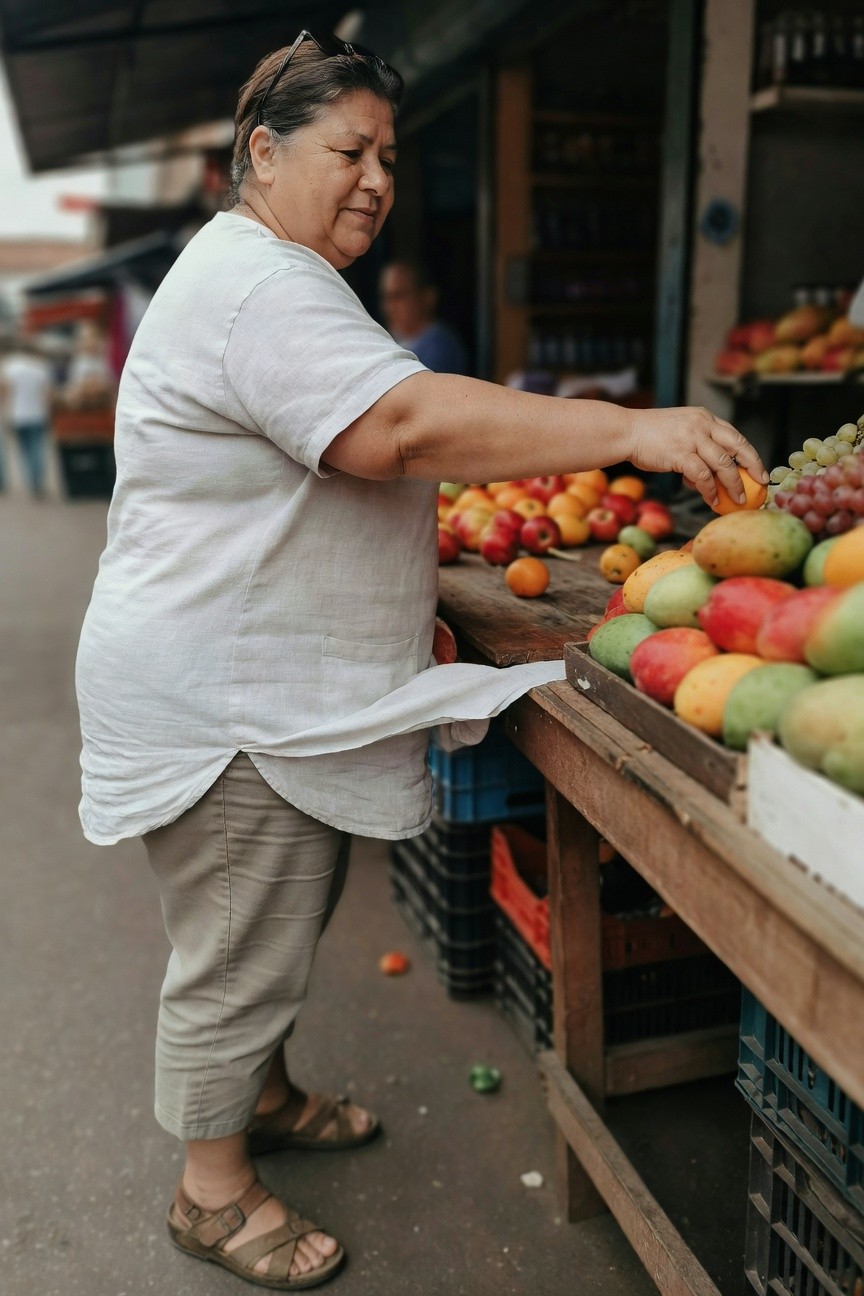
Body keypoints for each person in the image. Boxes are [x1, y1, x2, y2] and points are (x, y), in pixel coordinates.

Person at [75, 29, 766, 1292]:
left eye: (389, 155)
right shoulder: (256, 284)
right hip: (227, 697)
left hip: (249, 679)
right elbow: (396, 428)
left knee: (276, 917)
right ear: (262, 151)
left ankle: (262, 1095)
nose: (379, 180)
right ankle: (211, 1192)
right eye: (351, 149)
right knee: (239, 942)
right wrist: (630, 425)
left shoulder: (265, 274)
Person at [379, 259, 469, 373]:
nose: (389, 307)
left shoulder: (441, 347)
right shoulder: (385, 341)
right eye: (387, 297)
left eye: (398, 296)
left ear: (427, 297)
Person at [0, 337, 54, 496]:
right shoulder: (40, 366)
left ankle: (30, 478)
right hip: (38, 414)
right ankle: (36, 480)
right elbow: (48, 393)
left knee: (23, 449)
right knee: (37, 447)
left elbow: (5, 391)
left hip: (17, 414)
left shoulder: (9, 366)